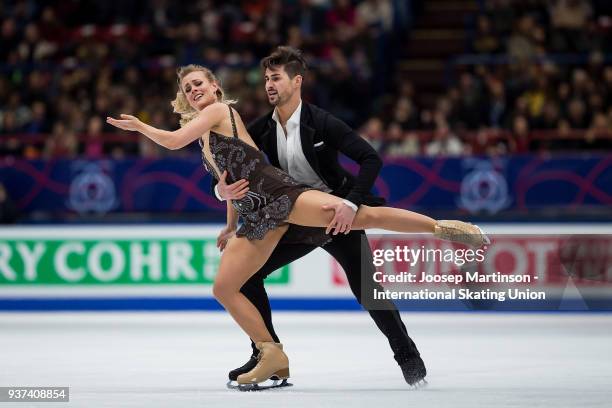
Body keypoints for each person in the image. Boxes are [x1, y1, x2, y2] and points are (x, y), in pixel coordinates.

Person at [106, 62, 488, 388]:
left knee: (364, 254)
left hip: (290, 198)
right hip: (260, 214)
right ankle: (270, 355)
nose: (193, 90)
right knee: (227, 286)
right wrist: (227, 213)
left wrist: (141, 127)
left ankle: (443, 232)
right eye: (188, 88)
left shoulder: (269, 116)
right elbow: (230, 180)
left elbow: (369, 159)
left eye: (199, 83)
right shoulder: (223, 128)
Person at [214, 46, 422, 388]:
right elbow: (224, 170)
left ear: (297, 81)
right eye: (266, 78)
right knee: (246, 277)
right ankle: (268, 356)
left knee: (368, 289)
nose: (269, 84)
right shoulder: (261, 129)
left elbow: (371, 159)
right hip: (293, 218)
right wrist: (220, 192)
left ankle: (410, 361)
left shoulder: (322, 122)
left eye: (276, 78)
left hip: (336, 215)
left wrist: (351, 204)